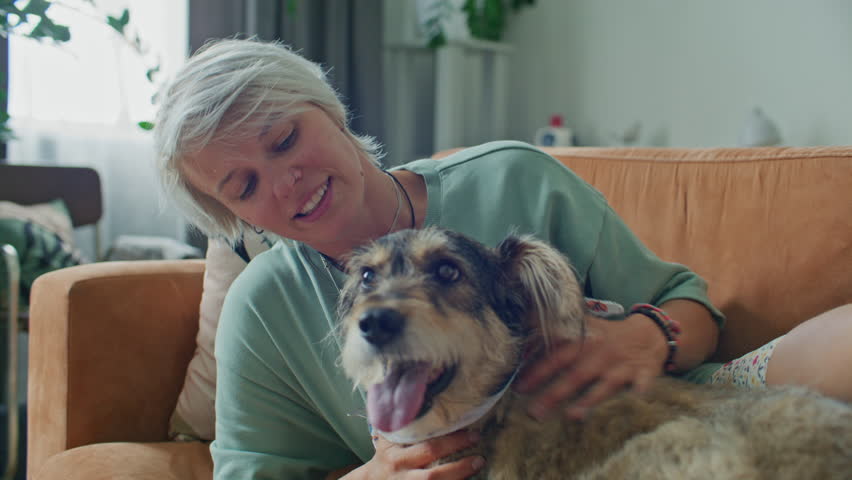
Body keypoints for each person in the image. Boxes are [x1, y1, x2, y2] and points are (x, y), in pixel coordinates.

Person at [154, 38, 852, 479]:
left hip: (682, 397)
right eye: (243, 186)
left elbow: (695, 310)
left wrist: (646, 337)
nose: (284, 183)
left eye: (284, 141)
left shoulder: (515, 179)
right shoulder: (264, 309)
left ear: (331, 112)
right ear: (232, 216)